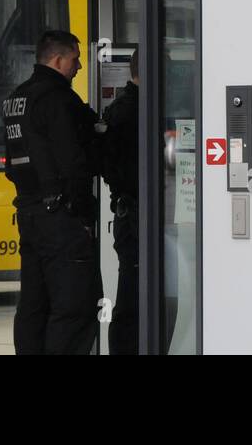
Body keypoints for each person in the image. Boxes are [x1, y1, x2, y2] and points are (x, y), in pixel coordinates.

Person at [2, 30, 102, 355]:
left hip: (30, 215)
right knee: (75, 306)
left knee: (34, 307)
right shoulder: (57, 99)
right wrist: (86, 215)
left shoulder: (17, 98)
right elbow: (73, 162)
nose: (80, 67)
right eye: (75, 59)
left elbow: (13, 162)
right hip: (61, 218)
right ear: (58, 60)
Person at [100, 48, 139, 355]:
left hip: (127, 211)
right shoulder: (135, 110)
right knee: (133, 297)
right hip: (137, 214)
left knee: (130, 291)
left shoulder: (118, 109)